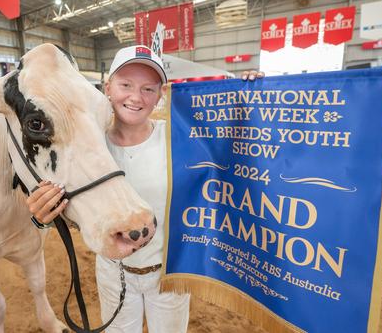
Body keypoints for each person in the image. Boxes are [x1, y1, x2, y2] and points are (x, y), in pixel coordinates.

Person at [26, 45, 262, 332]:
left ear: (160, 95)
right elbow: (64, 206)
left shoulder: (181, 141)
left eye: (148, 89)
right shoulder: (85, 147)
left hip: (168, 276)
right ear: (107, 87)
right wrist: (41, 216)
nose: (136, 97)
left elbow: (235, 152)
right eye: (126, 85)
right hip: (114, 273)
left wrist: (255, 98)